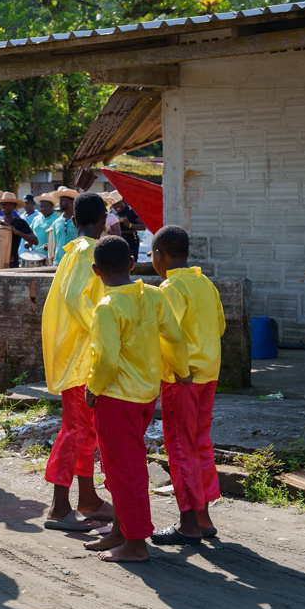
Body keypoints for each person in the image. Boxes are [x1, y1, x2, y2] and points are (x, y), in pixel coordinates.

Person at [82, 236, 190, 563]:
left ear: (95, 270)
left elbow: (105, 360)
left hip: (117, 398)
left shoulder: (108, 307)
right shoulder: (154, 295)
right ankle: (119, 532)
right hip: (145, 395)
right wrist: (182, 369)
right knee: (121, 467)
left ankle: (136, 543)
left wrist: (92, 388)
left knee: (126, 470)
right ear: (132, 263)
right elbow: (174, 335)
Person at [40, 193, 112, 532]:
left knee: (87, 430)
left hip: (79, 356)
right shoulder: (87, 252)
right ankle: (59, 507)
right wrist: (101, 329)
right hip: (81, 358)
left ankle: (87, 498)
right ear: (104, 219)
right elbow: (75, 299)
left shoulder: (74, 250)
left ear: (73, 220)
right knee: (76, 430)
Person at [150, 226, 225, 544]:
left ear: (158, 256)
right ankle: (203, 517)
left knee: (180, 449)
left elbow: (170, 334)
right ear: (187, 255)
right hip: (208, 373)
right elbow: (220, 325)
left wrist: (180, 369)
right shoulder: (204, 283)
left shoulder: (169, 288)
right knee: (200, 444)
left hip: (182, 378)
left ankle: (187, 523)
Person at [0, 192, 36, 267]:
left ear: (13, 206)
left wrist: (17, 232)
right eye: (1, 204)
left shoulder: (20, 222)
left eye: (6, 204)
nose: (3, 206)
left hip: (11, 263)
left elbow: (35, 240)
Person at [49, 187, 79, 264]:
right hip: (59, 262)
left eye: (63, 200)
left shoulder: (80, 221)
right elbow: (57, 243)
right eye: (60, 200)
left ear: (71, 202)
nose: (60, 202)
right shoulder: (56, 222)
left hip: (75, 262)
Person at [110, 194, 145, 259]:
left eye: (118, 203)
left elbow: (143, 226)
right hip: (117, 239)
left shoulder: (131, 210)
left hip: (131, 239)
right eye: (114, 205)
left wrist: (129, 225)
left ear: (123, 201)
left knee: (131, 259)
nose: (116, 206)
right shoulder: (112, 212)